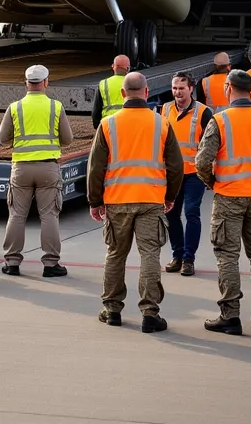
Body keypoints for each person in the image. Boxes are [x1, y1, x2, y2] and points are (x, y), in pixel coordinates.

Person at [88, 71, 182, 332]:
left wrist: (95, 201)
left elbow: (95, 167)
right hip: (151, 199)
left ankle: (112, 309)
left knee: (116, 254)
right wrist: (170, 196)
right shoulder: (161, 123)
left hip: (117, 200)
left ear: (122, 94)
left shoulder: (108, 124)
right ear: (147, 92)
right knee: (150, 254)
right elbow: (176, 166)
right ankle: (150, 313)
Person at [195, 67, 251, 335]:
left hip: (229, 197)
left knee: (227, 255)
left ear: (228, 88)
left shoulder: (220, 121)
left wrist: (213, 182)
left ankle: (230, 315)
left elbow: (201, 162)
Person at [0, 63, 73, 277]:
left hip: (21, 168)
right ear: (46, 83)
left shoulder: (15, 107)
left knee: (17, 215)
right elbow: (67, 139)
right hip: (48, 168)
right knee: (49, 216)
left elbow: (2, 138)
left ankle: (12, 262)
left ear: (26, 84)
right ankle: (51, 264)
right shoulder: (55, 107)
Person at [161, 72, 211, 276]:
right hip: (172, 174)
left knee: (191, 212)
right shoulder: (164, 110)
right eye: (174, 88)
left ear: (191, 89)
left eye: (181, 88)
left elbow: (210, 146)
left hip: (194, 174)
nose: (177, 92)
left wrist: (209, 172)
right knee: (171, 214)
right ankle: (177, 255)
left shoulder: (204, 113)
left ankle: (189, 259)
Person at [91, 55, 130, 127]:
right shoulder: (133, 82)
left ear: (113, 66)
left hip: (108, 125)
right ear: (128, 68)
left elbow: (96, 111)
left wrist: (98, 127)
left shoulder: (104, 84)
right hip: (129, 123)